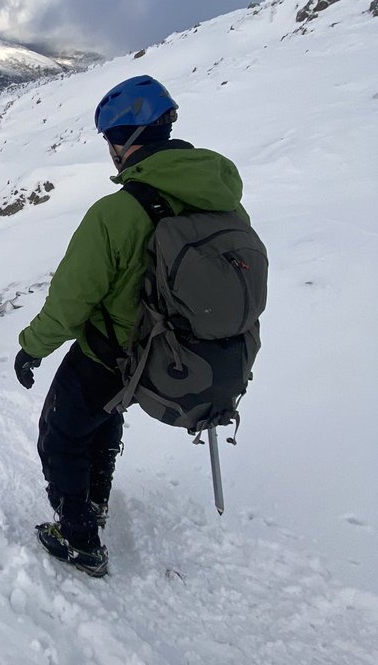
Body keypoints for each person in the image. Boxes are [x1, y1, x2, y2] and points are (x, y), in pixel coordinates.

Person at [14, 75, 252, 578]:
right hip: (167, 357)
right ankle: (96, 500)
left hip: (109, 352)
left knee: (60, 437)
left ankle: (79, 537)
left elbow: (71, 298)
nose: (109, 151)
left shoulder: (118, 213)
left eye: (109, 140)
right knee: (104, 420)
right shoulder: (221, 197)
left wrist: (31, 347)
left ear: (126, 140)